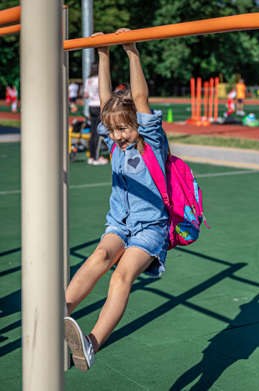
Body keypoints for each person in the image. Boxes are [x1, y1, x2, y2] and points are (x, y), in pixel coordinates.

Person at [64, 29, 170, 371]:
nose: (117, 136)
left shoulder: (148, 140)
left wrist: (131, 51)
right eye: (112, 130)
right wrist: (104, 54)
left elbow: (138, 99)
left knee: (120, 276)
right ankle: (61, 311)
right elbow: (106, 102)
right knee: (100, 255)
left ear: (138, 126)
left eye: (123, 129)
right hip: (119, 224)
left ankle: (91, 343)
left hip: (150, 229)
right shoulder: (115, 139)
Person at [84, 63, 108, 165]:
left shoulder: (88, 80)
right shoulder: (100, 79)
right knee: (99, 132)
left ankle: (92, 156)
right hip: (99, 106)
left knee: (93, 132)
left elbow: (86, 95)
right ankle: (96, 157)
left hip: (91, 106)